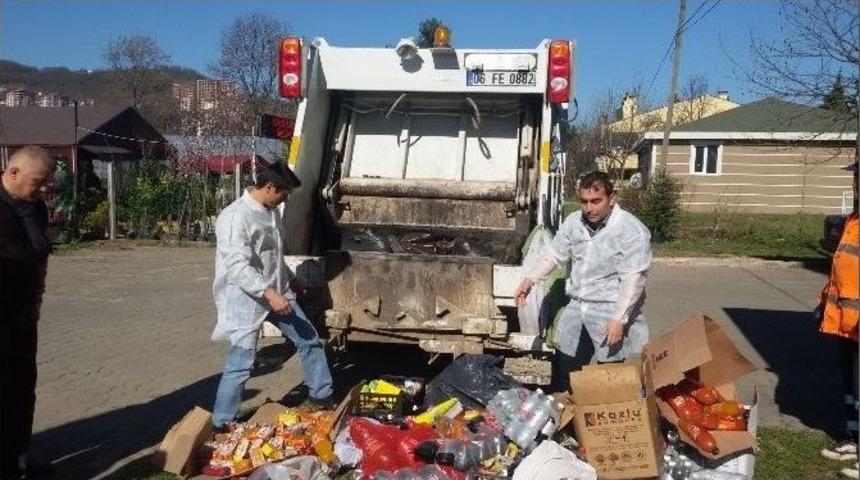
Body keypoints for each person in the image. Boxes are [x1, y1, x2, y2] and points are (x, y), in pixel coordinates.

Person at [211, 161, 335, 429]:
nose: (286, 198)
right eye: (285, 193)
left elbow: (273, 256)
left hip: (277, 292)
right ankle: (222, 423)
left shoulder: (271, 211)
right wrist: (268, 293)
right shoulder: (235, 217)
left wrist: (291, 279)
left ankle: (321, 396)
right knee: (241, 363)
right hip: (246, 298)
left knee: (309, 340)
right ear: (269, 187)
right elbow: (238, 267)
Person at [513, 171, 651, 391]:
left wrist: (619, 318)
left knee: (612, 373)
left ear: (612, 198)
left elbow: (633, 278)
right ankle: (567, 413)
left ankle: (610, 416)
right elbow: (554, 254)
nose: (589, 208)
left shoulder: (631, 231)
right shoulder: (574, 222)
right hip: (578, 307)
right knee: (566, 368)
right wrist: (530, 279)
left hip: (611, 310)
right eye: (584, 202)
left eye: (596, 201)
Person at [0, 146, 56, 479]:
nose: (44, 189)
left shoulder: (35, 209)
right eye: (39, 182)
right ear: (13, 172)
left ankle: (19, 458)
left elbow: (39, 254)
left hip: (23, 315)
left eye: (48, 183)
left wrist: (35, 299)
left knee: (23, 388)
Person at [818, 160, 859, 479]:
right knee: (852, 384)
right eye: (857, 176)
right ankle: (853, 439)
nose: (857, 182)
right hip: (846, 321)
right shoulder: (854, 221)